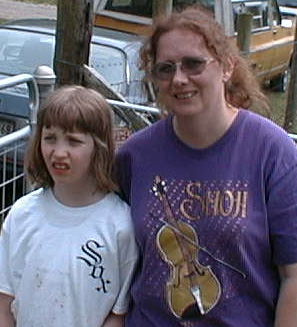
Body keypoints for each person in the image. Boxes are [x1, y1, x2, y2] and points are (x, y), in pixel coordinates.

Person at [115, 4, 297, 327]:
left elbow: (293, 275)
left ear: (226, 67)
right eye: (165, 68)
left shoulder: (273, 152)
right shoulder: (134, 156)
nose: (179, 79)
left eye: (193, 64)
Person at [0, 85, 138, 327]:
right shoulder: (22, 214)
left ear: (99, 148)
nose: (59, 152)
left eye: (74, 141)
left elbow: (118, 315)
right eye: (50, 139)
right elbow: (4, 304)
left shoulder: (120, 225)